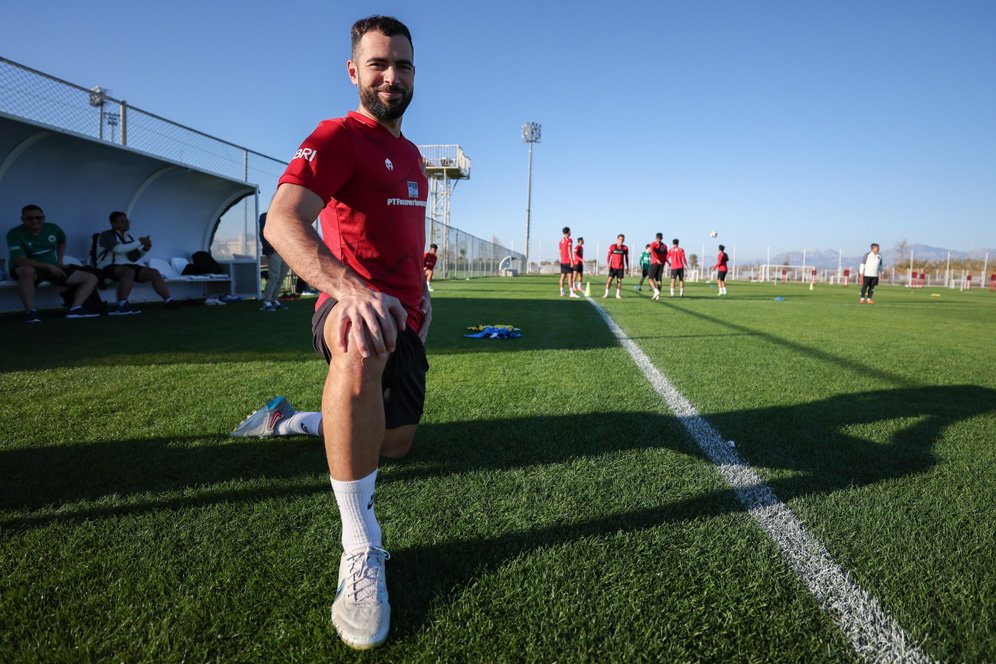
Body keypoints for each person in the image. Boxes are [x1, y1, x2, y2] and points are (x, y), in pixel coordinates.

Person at [230, 16, 429, 651]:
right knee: (359, 338)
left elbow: (402, 245)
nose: (390, 75)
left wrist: (422, 296)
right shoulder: (339, 135)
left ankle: (291, 420)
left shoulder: (413, 156)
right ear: (354, 72)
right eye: (378, 64)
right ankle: (360, 549)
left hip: (409, 319)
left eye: (401, 64)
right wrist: (349, 290)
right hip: (347, 305)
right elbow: (283, 222)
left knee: (393, 447)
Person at [7, 204, 99, 322]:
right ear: (22, 219)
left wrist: (59, 261)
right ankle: (30, 312)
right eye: (29, 218)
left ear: (44, 218)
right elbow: (20, 261)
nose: (35, 220)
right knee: (27, 270)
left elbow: (62, 241)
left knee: (91, 277)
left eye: (38, 217)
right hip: (30, 269)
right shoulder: (14, 233)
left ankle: (75, 309)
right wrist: (49, 266)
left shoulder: (53, 228)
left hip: (52, 268)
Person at [94, 211, 178, 314]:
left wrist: (145, 249)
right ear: (113, 224)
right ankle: (122, 304)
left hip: (127, 266)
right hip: (107, 267)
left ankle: (169, 300)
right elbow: (117, 249)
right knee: (129, 271)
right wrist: (139, 242)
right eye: (122, 221)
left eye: (127, 221)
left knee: (154, 273)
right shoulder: (106, 235)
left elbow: (133, 258)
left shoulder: (128, 237)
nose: (126, 223)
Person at [258, 212, 289, 311]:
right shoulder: (265, 216)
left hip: (285, 252)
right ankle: (266, 302)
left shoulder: (284, 217)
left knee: (281, 278)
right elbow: (263, 233)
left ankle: (274, 300)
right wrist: (269, 250)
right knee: (274, 277)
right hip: (273, 252)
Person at [603, 234, 628, 299]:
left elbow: (626, 257)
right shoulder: (612, 246)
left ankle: (617, 295)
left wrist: (627, 266)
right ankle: (606, 294)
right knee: (609, 280)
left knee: (619, 281)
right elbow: (608, 256)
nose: (621, 241)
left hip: (620, 267)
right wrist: (608, 264)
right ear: (617, 239)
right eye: (620, 239)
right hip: (612, 267)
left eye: (622, 239)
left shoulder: (625, 248)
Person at [558, 227, 578, 298]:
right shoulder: (569, 240)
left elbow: (560, 251)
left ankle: (561, 292)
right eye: (570, 231)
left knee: (562, 276)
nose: (571, 232)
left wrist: (562, 259)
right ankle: (571, 293)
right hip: (568, 261)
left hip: (562, 261)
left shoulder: (560, 241)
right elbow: (569, 250)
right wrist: (572, 260)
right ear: (568, 232)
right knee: (570, 276)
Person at [648, 233, 668, 300]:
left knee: (650, 278)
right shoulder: (665, 246)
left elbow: (652, 252)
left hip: (654, 263)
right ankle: (658, 296)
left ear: (656, 237)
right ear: (662, 238)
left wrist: (656, 259)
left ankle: (656, 291)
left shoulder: (653, 244)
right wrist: (667, 262)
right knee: (659, 280)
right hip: (662, 264)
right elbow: (666, 256)